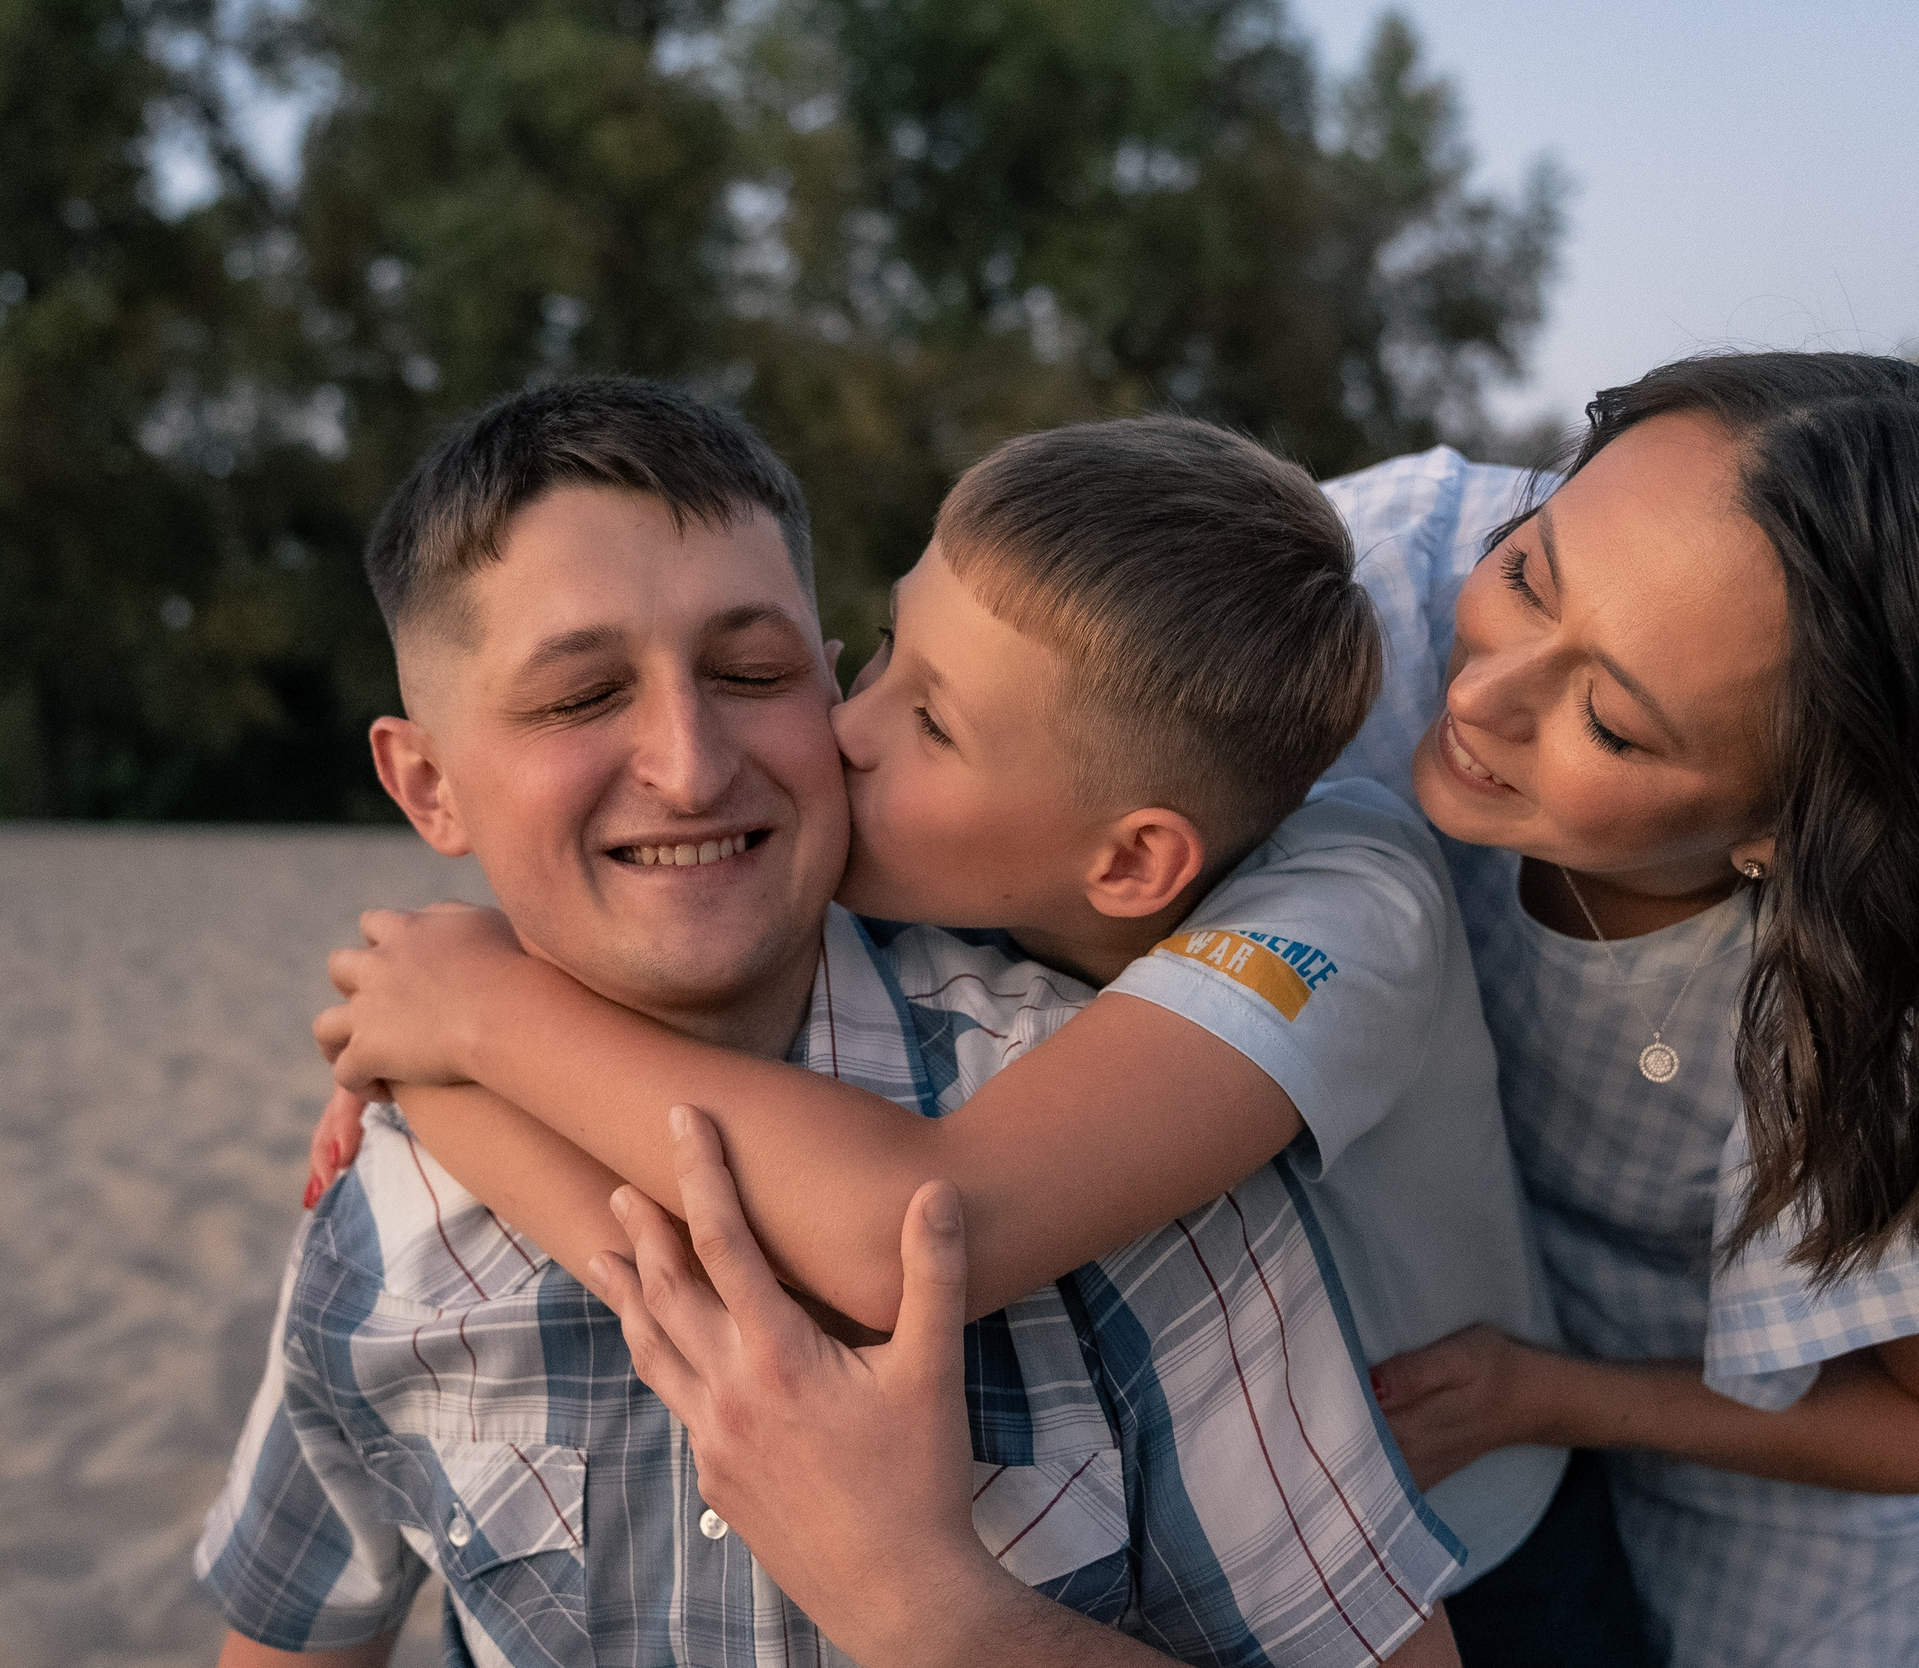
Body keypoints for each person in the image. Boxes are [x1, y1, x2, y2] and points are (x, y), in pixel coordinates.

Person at [584, 352, 1919, 1668]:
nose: (1478, 693)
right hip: (1429, 1367)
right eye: (1532, 570)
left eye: (1610, 721)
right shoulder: (1396, 574)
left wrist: (1553, 1392)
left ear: (1789, 829)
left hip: (1783, 1430)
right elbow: (1058, 674)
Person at [195, 378, 1467, 1667]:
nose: (691, 767)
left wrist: (946, 1619)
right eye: (581, 699)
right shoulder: (383, 1192)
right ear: (427, 783)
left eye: (755, 672)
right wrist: (444, 1068)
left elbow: (902, 1221)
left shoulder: (1104, 1133)